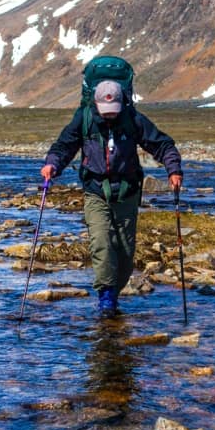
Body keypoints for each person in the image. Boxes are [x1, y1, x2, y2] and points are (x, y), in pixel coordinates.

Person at [40, 78, 183, 317]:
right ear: (95, 104)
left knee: (125, 255)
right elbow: (63, 146)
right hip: (96, 190)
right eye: (105, 112)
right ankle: (106, 300)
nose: (109, 116)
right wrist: (52, 165)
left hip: (127, 191)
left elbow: (162, 145)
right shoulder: (83, 119)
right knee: (102, 243)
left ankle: (113, 294)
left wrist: (174, 169)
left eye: (113, 112)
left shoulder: (133, 119)